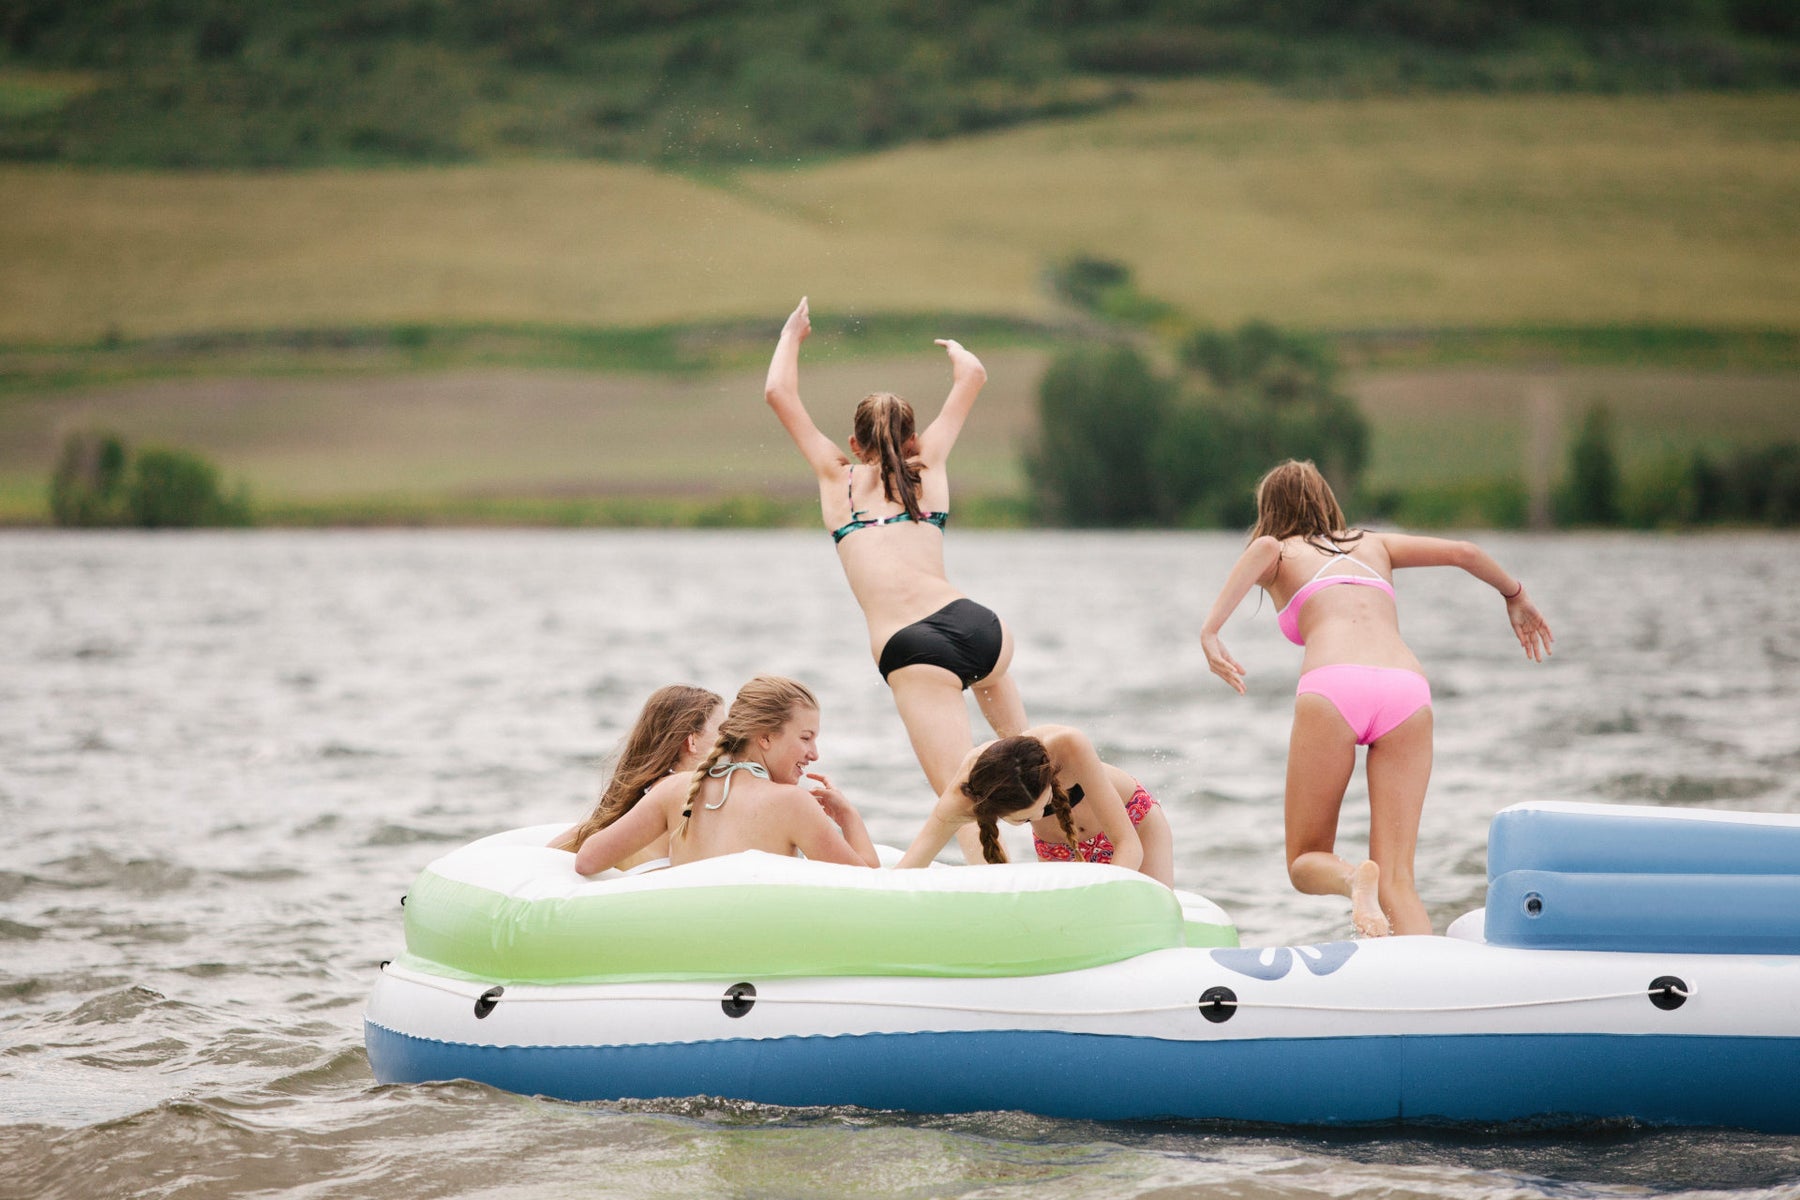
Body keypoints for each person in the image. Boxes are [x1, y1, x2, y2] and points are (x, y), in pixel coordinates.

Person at [1198, 459, 1553, 937]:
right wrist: (1515, 595)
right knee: (1399, 879)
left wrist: (1211, 631)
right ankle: (1428, 987)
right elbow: (1465, 552)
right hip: (1407, 690)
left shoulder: (1276, 549)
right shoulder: (1375, 542)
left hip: (1335, 687)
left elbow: (1258, 553)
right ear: (1326, 501)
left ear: (1270, 512)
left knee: (1305, 860)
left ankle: (1352, 880)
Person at [764, 297, 1028, 862]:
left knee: (964, 802)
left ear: (855, 445)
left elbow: (778, 395)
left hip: (916, 649)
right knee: (1029, 758)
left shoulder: (840, 480)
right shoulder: (927, 467)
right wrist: (958, 355)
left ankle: (1005, 894)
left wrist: (793, 334)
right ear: (911, 440)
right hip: (979, 625)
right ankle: (1075, 835)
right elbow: (975, 375)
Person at [570, 675, 880, 875]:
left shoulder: (673, 790)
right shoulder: (793, 804)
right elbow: (869, 889)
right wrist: (848, 817)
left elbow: (587, 861)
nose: (814, 754)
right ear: (765, 737)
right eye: (805, 737)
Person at [896, 726, 1175, 887]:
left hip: (1136, 825)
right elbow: (912, 864)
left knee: (1154, 929)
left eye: (1044, 807)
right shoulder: (967, 794)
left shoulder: (1067, 746)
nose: (1042, 816)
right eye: (1028, 819)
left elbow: (1129, 845)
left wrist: (1099, 901)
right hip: (1058, 848)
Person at [548, 685, 724, 870]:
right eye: (722, 733)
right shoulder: (682, 794)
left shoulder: (635, 801)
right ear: (692, 741)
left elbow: (550, 853)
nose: (729, 743)